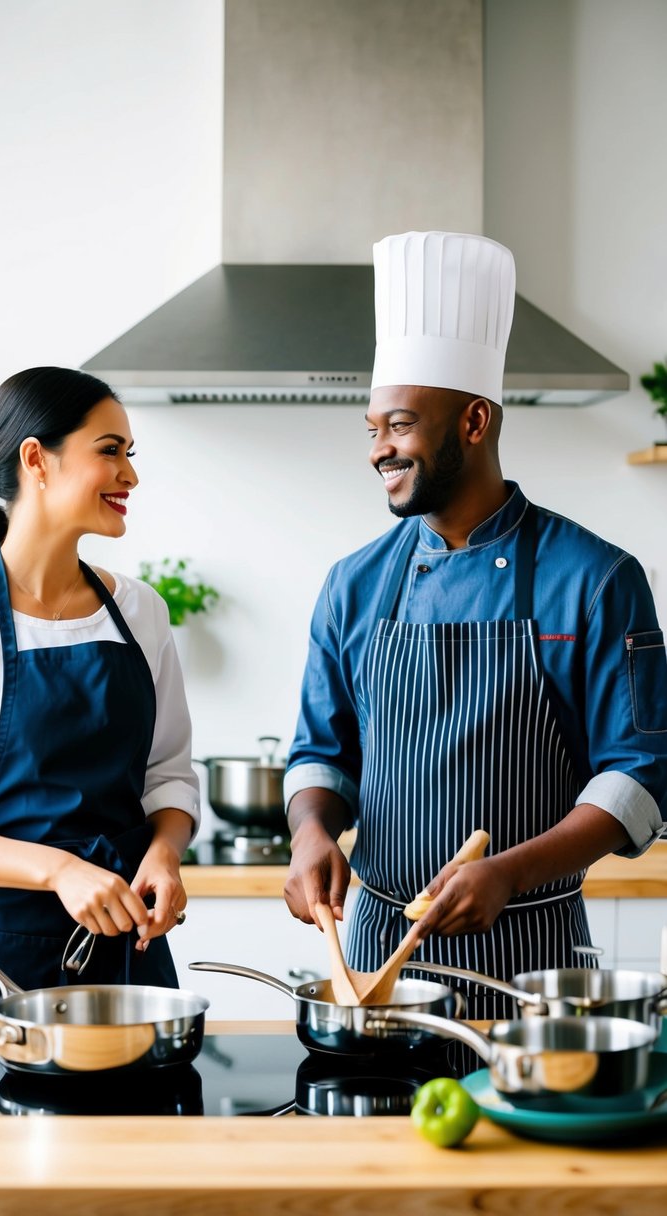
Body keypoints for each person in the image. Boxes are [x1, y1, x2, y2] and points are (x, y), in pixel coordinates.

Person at [283, 231, 667, 1018]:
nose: (377, 451)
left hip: (531, 967)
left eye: (398, 425)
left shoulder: (595, 579)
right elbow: (320, 753)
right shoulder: (352, 585)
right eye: (371, 430)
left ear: (473, 421)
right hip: (376, 963)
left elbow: (638, 776)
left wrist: (508, 872)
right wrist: (310, 833)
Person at [0, 366, 199, 1010]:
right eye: (109, 451)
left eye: (129, 454)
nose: (130, 475)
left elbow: (168, 776)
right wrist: (59, 870)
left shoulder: (141, 612)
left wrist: (165, 853)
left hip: (125, 963)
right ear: (36, 460)